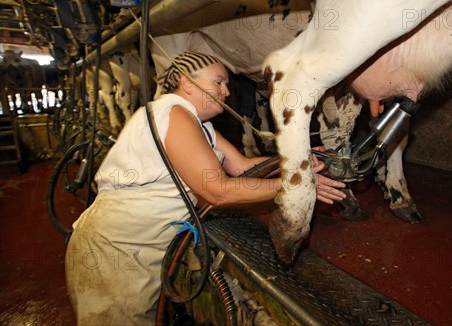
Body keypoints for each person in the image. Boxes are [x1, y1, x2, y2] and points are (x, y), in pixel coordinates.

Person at [65, 51, 346, 325]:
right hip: (116, 247)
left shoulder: (201, 126)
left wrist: (298, 161)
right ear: (187, 82)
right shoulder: (173, 113)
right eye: (218, 82)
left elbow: (243, 167)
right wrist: (297, 187)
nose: (226, 92)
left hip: (139, 244)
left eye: (226, 83)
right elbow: (218, 191)